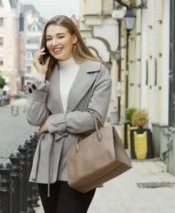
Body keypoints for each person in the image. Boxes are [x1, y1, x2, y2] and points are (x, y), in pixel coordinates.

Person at [26, 15, 112, 213]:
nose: (54, 43)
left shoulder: (97, 72)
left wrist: (54, 122)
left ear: (74, 37)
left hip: (81, 159)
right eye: (49, 38)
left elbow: (94, 118)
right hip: (47, 163)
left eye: (60, 36)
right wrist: (39, 77)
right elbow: (34, 119)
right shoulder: (47, 73)